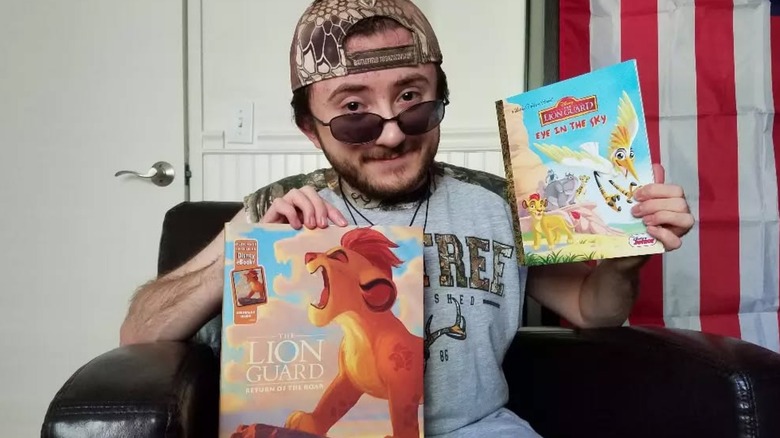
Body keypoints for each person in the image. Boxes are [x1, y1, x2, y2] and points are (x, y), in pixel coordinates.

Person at [119, 1, 695, 436]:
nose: (392, 133)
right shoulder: (272, 207)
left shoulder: (501, 203)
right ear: (310, 128)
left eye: (411, 98)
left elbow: (593, 308)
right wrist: (247, 247)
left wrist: (627, 255)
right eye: (353, 110)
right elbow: (140, 332)